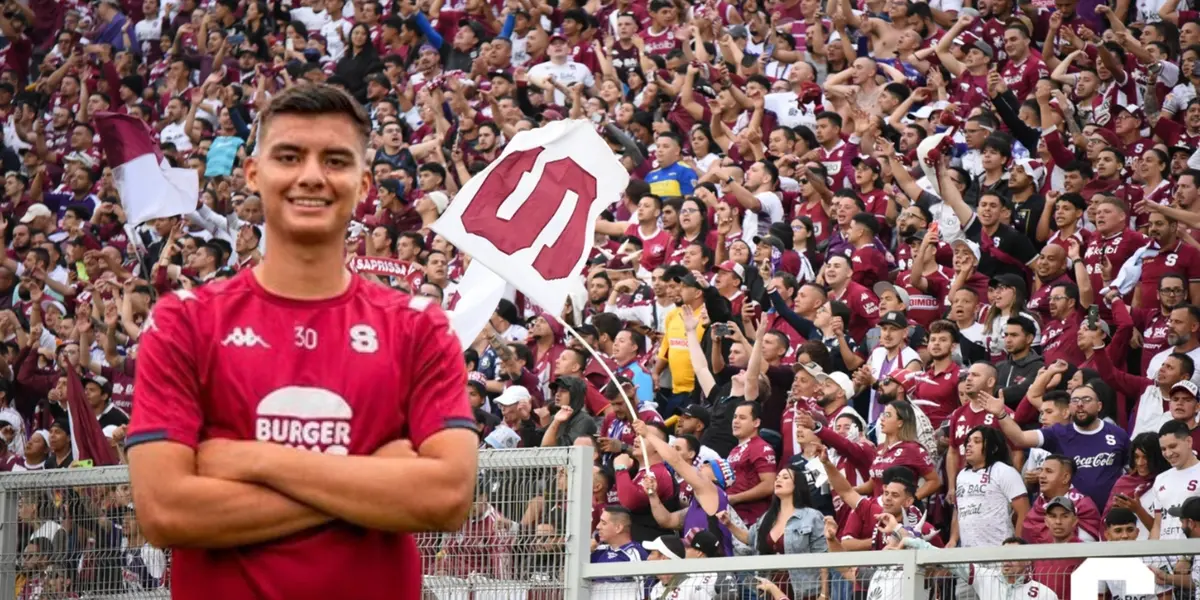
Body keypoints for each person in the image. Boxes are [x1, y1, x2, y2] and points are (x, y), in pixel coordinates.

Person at [125, 85, 479, 599]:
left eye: (334, 160)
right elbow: (164, 510)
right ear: (253, 173)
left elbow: (446, 497)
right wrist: (378, 482)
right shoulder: (184, 322)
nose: (311, 175)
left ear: (362, 184)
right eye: (289, 156)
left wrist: (254, 461)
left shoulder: (418, 326)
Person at [721, 464, 829, 599]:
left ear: (797, 485)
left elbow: (823, 557)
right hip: (771, 588)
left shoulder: (812, 516)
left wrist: (824, 594)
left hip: (805, 589)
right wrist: (729, 524)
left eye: (785, 478)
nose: (778, 480)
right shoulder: (768, 517)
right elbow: (750, 538)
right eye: (777, 477)